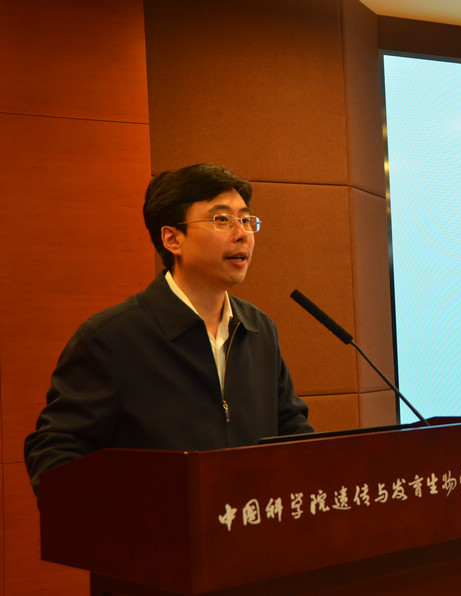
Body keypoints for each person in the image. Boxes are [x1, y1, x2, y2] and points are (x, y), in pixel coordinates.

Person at [24, 163, 314, 498]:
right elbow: (56, 452)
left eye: (247, 220)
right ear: (172, 238)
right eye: (222, 219)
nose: (242, 234)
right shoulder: (111, 338)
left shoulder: (258, 329)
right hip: (158, 529)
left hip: (250, 524)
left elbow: (293, 431)